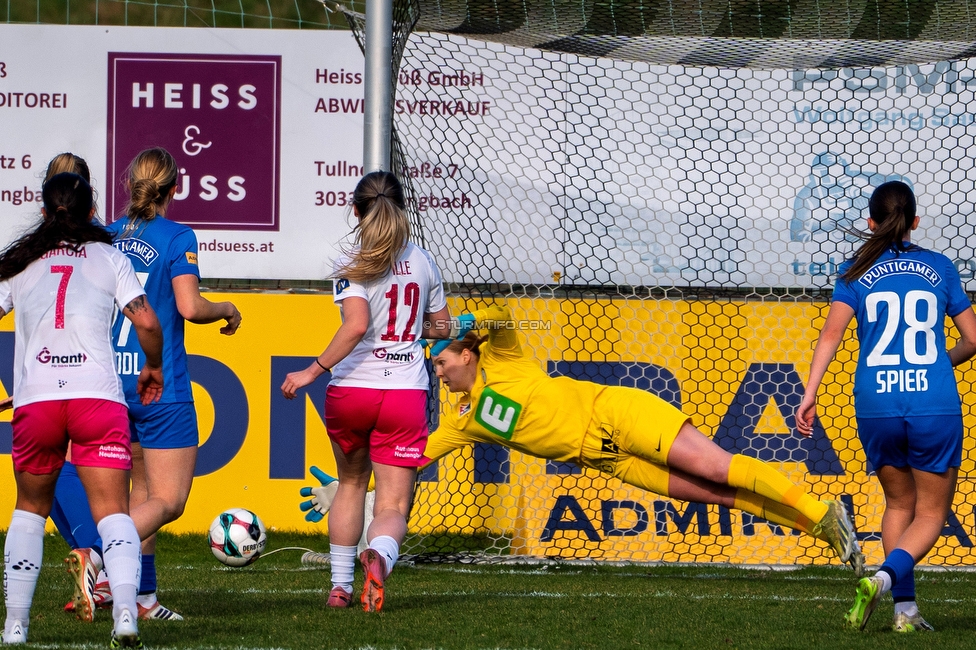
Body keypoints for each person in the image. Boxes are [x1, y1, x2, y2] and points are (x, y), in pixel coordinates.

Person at [424, 304, 865, 573]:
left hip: (616, 414)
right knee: (718, 495)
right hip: (609, 461)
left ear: (467, 352)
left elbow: (500, 318)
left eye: (442, 362)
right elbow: (411, 458)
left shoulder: (503, 360)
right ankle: (823, 529)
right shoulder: (461, 419)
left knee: (718, 466)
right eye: (435, 368)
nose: (439, 374)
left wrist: (451, 324)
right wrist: (356, 481)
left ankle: (822, 510)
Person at [64, 147, 241, 622]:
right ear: (175, 188)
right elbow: (188, 307)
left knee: (138, 497)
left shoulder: (103, 237)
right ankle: (98, 558)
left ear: (130, 185)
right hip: (160, 385)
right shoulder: (177, 235)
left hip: (107, 383)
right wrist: (226, 309)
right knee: (169, 501)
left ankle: (143, 599)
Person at [796, 180, 976, 632]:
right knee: (931, 513)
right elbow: (974, 339)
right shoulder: (940, 267)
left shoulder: (854, 271)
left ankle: (905, 611)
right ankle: (883, 579)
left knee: (898, 505)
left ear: (870, 223)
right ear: (915, 222)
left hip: (875, 400)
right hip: (931, 399)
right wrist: (939, 362)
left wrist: (809, 392)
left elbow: (830, 336)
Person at [0, 172, 164, 647]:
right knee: (113, 511)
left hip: (40, 399)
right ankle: (128, 616)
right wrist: (152, 365)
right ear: (93, 211)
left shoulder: (21, 263)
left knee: (29, 509)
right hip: (97, 398)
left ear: (46, 211)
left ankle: (15, 626)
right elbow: (147, 321)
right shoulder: (111, 258)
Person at [281, 170, 451, 612]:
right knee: (393, 501)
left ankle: (340, 586)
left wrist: (312, 371)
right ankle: (380, 556)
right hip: (404, 394)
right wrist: (420, 330)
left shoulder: (351, 262)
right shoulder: (424, 260)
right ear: (402, 209)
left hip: (352, 391)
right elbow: (442, 327)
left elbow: (356, 325)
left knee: (352, 484)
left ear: (355, 210)